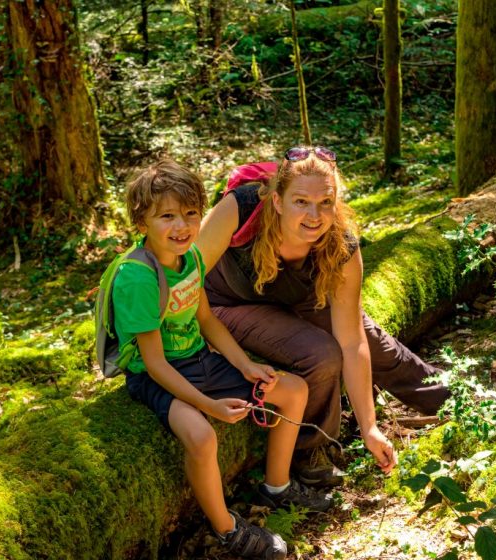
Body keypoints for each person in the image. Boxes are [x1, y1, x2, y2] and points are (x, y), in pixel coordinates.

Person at [115, 159, 333, 560]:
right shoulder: (137, 277)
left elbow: (207, 319)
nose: (181, 227)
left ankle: (277, 486)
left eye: (191, 214)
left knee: (293, 389)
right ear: (141, 220)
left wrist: (245, 365)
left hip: (198, 359)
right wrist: (207, 404)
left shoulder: (193, 260)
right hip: (155, 375)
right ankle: (226, 529)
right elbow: (155, 363)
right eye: (166, 216)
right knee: (201, 436)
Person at [197, 146, 451, 486]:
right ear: (277, 200)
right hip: (225, 303)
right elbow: (185, 276)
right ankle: (312, 448)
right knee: (321, 354)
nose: (314, 215)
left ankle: (450, 399)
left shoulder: (341, 244)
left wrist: (370, 428)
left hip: (290, 299)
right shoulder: (242, 208)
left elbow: (352, 339)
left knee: (372, 340)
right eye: (301, 202)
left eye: (325, 202)